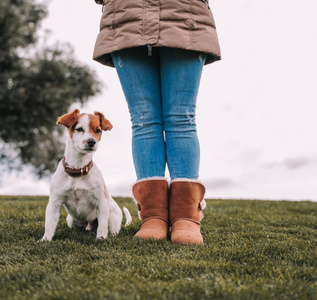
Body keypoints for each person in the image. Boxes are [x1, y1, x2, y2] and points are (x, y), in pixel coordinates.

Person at [92, 0, 221, 245]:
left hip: (184, 13)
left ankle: (186, 216)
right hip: (126, 14)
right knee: (143, 119)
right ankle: (153, 215)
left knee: (182, 118)